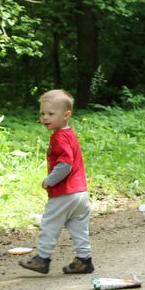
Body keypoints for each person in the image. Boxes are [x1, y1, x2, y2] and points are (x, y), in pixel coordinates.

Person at [19, 89, 95, 274]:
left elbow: (65, 165)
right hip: (80, 193)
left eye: (51, 114)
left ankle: (42, 259)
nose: (45, 117)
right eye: (42, 113)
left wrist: (49, 181)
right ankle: (84, 260)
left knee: (50, 224)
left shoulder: (59, 137)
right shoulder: (69, 134)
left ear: (66, 115)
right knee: (78, 227)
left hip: (65, 192)